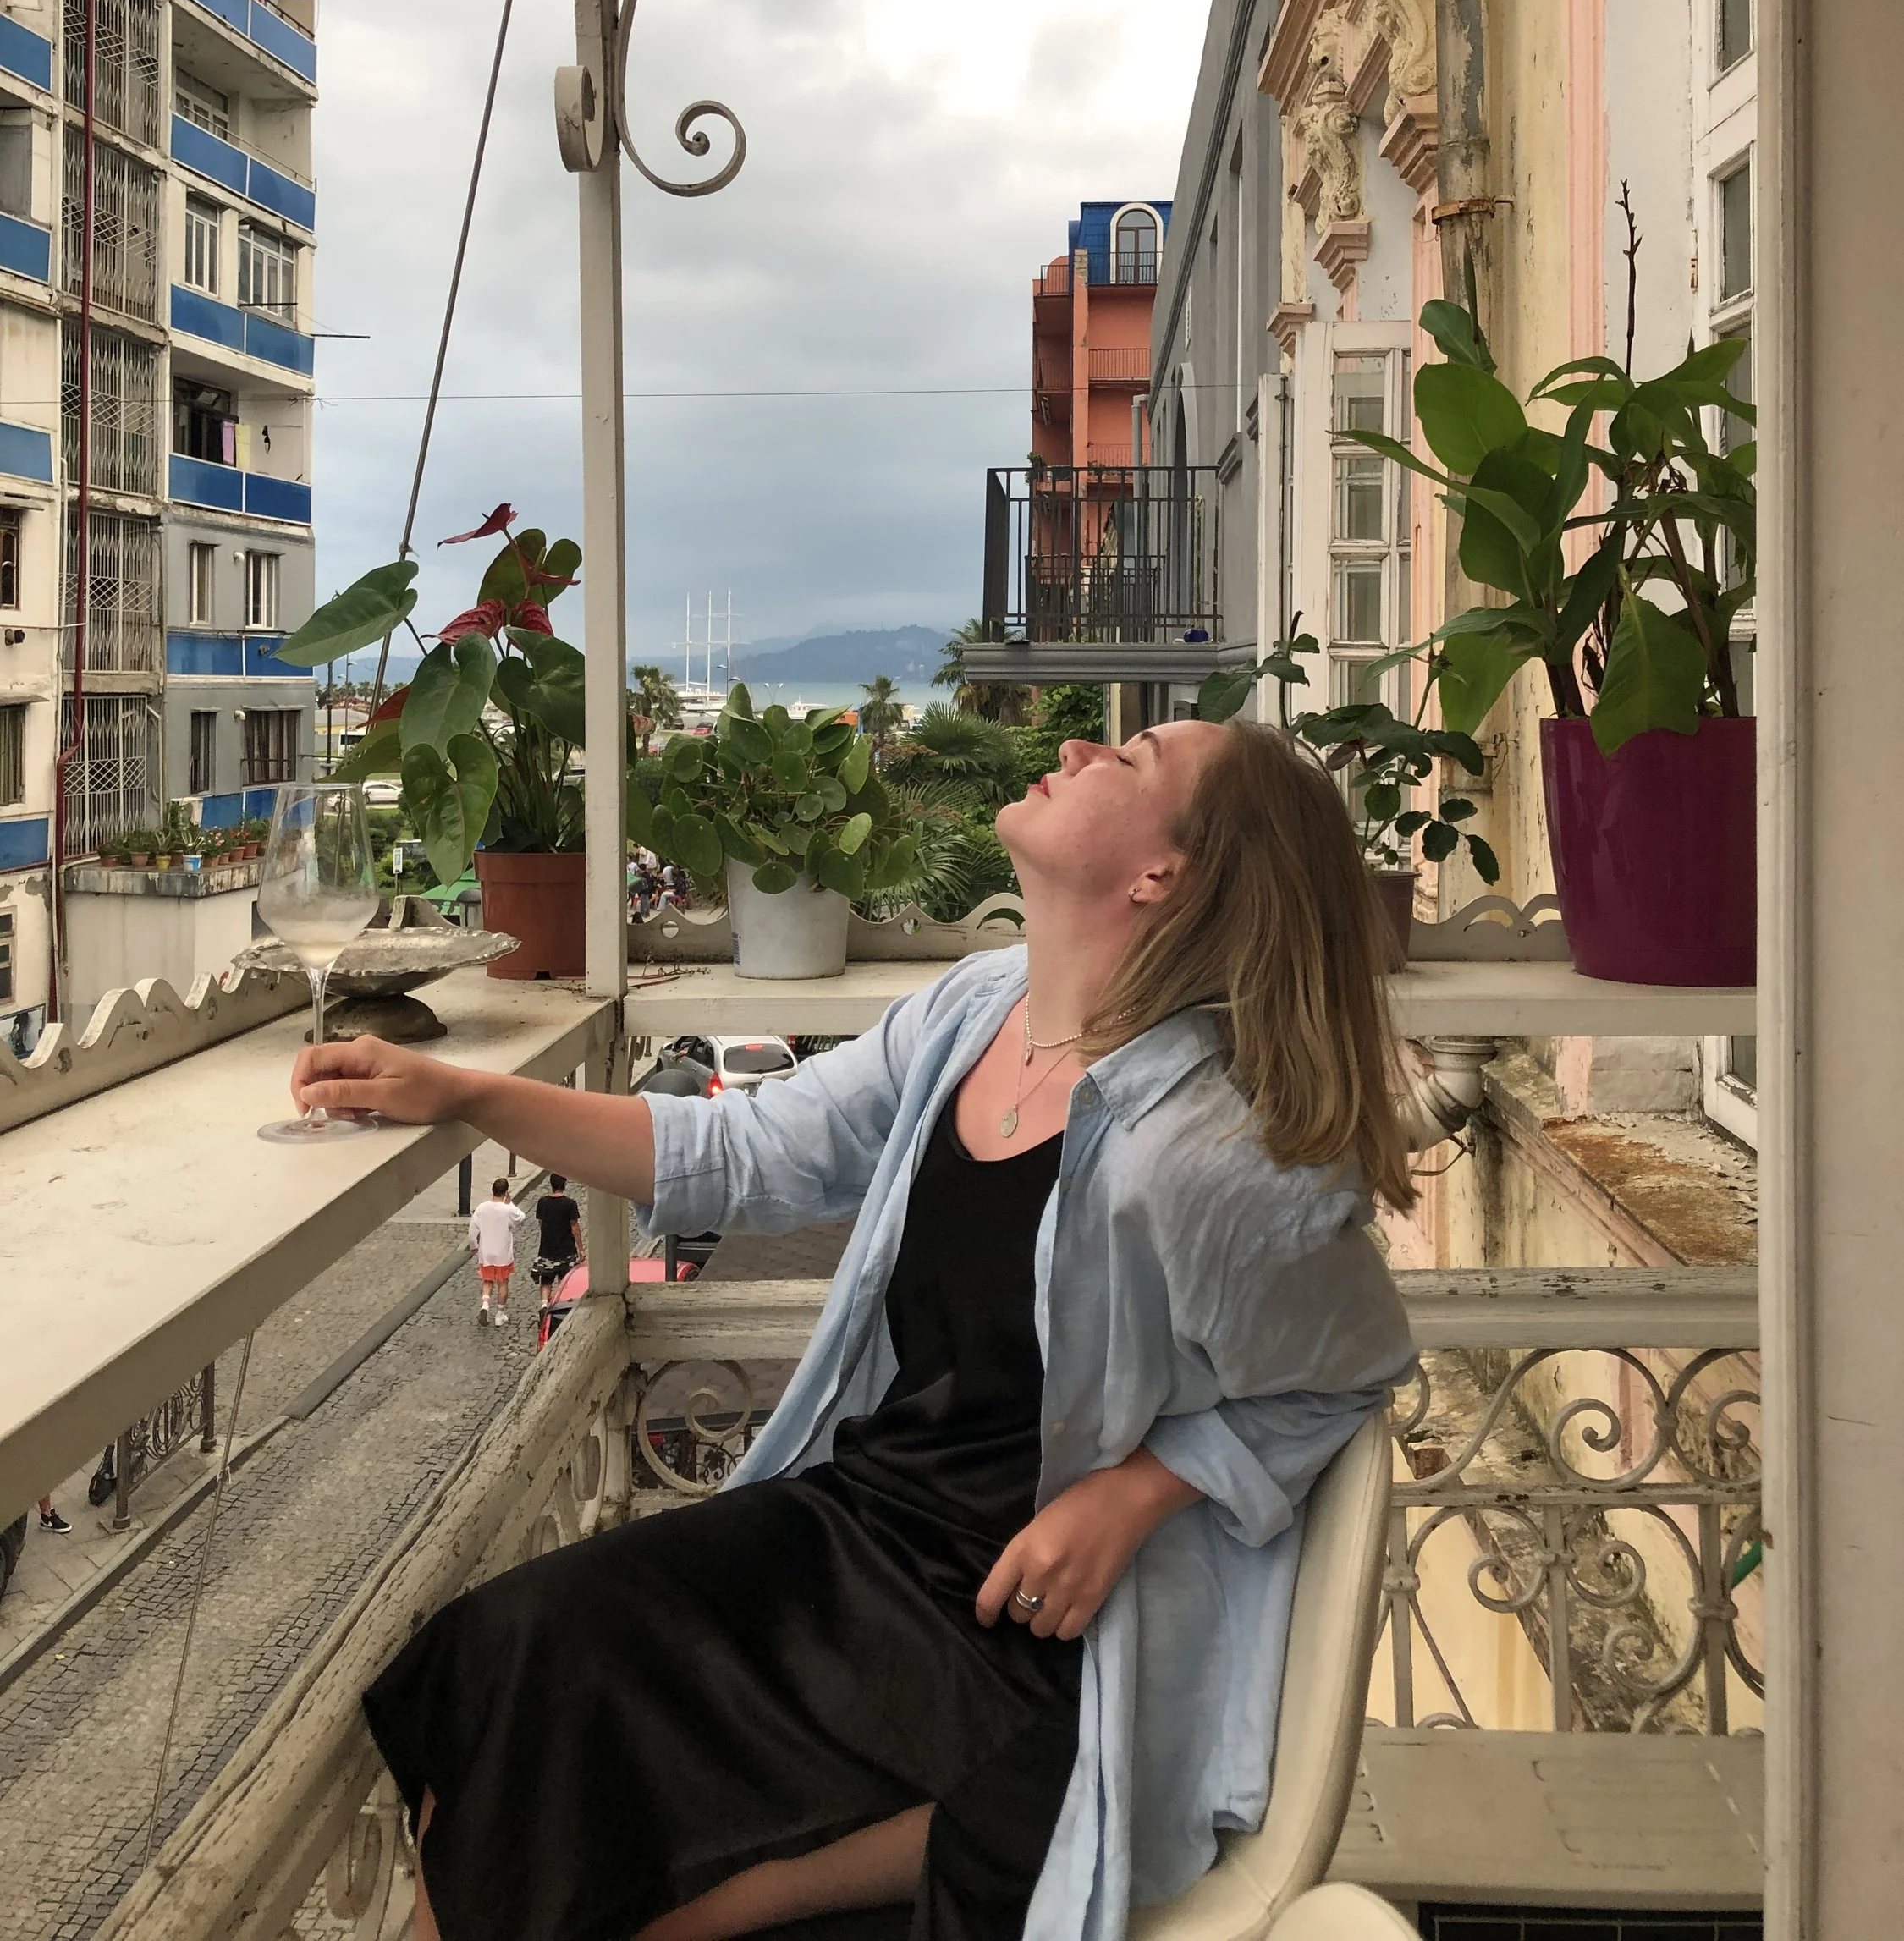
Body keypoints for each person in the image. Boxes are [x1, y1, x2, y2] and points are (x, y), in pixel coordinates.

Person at [290, 720, 1417, 1941]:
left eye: (1131, 759)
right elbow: (747, 1152)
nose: (1079, 746)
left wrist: (1136, 1492)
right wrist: (466, 1093)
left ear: (1161, 874)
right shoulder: (977, 1010)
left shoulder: (1209, 1152)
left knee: (605, 1853)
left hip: (1011, 1623)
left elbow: (1343, 1377)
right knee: (521, 1651)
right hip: (859, 1527)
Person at [466, 1177, 524, 1328]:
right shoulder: (507, 1209)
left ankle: (485, 1306)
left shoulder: (482, 1208)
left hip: (486, 1252)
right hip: (503, 1253)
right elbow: (521, 1217)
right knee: (503, 1283)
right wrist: (510, 1203)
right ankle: (499, 1314)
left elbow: (472, 1230)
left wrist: (474, 1245)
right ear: (506, 1192)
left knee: (487, 1281)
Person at [532, 1173, 583, 1307]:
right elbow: (574, 1227)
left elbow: (541, 1223)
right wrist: (581, 1249)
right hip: (566, 1250)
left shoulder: (542, 1202)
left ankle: (544, 1305)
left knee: (546, 1281)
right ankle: (562, 1305)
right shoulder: (570, 1204)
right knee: (564, 1281)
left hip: (547, 1249)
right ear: (564, 1185)